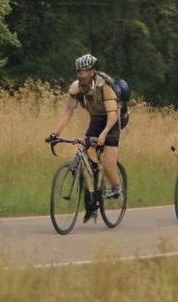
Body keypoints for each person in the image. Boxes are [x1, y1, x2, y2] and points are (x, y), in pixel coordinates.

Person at [48, 53, 123, 201]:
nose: (81, 74)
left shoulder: (104, 86)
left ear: (91, 71)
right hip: (96, 119)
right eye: (78, 71)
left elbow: (112, 116)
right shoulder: (76, 88)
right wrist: (55, 133)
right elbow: (68, 111)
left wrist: (104, 134)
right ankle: (95, 183)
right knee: (88, 151)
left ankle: (116, 188)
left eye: (84, 71)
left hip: (111, 121)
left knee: (108, 161)